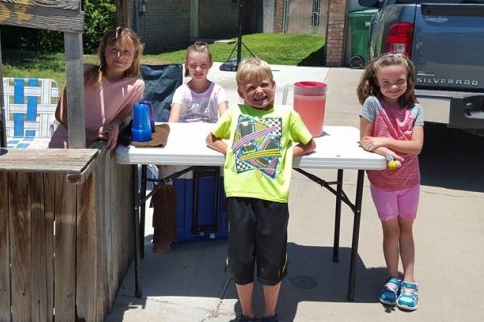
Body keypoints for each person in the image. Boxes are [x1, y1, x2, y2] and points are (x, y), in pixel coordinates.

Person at [206, 58, 316, 322]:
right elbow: (211, 139)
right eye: (251, 87)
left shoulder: (287, 115)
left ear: (274, 86)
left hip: (273, 198)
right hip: (239, 197)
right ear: (241, 93)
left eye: (264, 84)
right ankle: (246, 313)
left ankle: (269, 314)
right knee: (241, 258)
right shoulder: (234, 114)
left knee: (272, 258)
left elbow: (309, 144)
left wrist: (285, 154)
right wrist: (232, 150)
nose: (258, 91)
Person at [356, 53, 424, 311]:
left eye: (400, 80)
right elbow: (366, 140)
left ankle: (409, 280)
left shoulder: (416, 109)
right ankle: (392, 277)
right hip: (383, 182)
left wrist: (384, 142)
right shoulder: (372, 104)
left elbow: (416, 146)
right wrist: (384, 152)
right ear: (376, 81)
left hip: (410, 182)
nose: (394, 86)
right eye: (387, 82)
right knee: (390, 231)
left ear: (409, 79)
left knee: (406, 230)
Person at [152, 41, 229, 253]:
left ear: (210, 65)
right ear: (186, 65)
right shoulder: (181, 92)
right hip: (187, 147)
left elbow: (226, 119)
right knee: (164, 170)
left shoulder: (218, 91)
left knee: (235, 167)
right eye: (193, 65)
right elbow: (173, 123)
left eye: (203, 65)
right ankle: (164, 233)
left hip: (211, 145)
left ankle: (231, 226)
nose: (198, 70)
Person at [49, 26, 145, 150]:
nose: (119, 55)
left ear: (134, 57)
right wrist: (88, 134)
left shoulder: (136, 85)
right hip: (64, 143)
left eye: (126, 52)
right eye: (114, 49)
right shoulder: (84, 72)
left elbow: (120, 117)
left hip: (99, 147)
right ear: (104, 51)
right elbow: (60, 113)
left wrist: (115, 126)